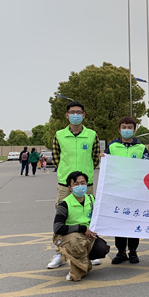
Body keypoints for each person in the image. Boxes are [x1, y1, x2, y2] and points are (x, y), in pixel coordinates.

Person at [48, 101, 100, 270]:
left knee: (88, 216)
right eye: (72, 112)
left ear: (84, 115)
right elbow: (56, 158)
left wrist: (83, 177)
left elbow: (95, 158)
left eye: (79, 112)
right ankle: (59, 252)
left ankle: (90, 251)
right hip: (65, 184)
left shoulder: (92, 135)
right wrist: (68, 176)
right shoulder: (59, 135)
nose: (75, 115)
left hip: (86, 184)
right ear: (67, 115)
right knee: (62, 217)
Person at [104, 116, 149, 264]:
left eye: (130, 128)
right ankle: (121, 252)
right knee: (120, 222)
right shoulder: (112, 147)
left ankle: (133, 251)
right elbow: (106, 168)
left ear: (134, 130)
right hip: (118, 192)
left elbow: (148, 168)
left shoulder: (141, 148)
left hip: (135, 192)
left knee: (133, 222)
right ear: (119, 129)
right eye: (124, 127)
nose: (127, 130)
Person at [53, 171, 102, 281]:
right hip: (69, 236)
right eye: (76, 184)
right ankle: (78, 265)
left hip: (88, 234)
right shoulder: (65, 204)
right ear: (70, 188)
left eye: (82, 183)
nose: (80, 186)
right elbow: (57, 228)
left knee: (101, 248)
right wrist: (81, 228)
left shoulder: (91, 199)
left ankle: (84, 260)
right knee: (76, 240)